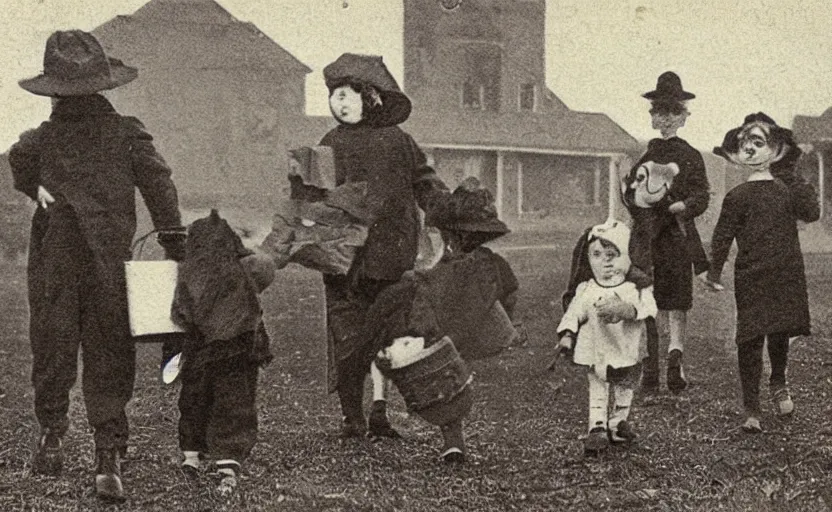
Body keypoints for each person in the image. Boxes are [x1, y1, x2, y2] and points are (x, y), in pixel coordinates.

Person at [7, 30, 184, 501]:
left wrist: (33, 189)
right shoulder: (126, 131)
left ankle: (52, 435)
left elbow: (18, 159)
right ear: (104, 86)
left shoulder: (41, 138)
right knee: (108, 350)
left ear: (54, 92)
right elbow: (160, 185)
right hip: (107, 263)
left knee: (53, 345)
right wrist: (174, 240)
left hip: (55, 266)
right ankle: (108, 455)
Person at [317, 53, 449, 438]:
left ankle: (379, 410)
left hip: (390, 257)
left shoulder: (398, 141)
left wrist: (450, 214)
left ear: (371, 97)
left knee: (388, 335)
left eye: (348, 94)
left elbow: (426, 183)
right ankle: (351, 418)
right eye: (334, 95)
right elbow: (311, 196)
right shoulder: (328, 144)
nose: (339, 102)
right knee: (347, 338)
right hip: (342, 260)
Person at [706, 113, 819, 433]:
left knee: (780, 330)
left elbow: (812, 212)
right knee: (750, 337)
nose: (750, 149)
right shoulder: (737, 197)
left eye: (759, 142)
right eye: (744, 144)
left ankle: (779, 382)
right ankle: (752, 407)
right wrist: (714, 271)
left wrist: (792, 171)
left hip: (785, 270)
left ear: (775, 150)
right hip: (751, 274)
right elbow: (723, 236)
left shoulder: (787, 190)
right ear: (737, 155)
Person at [171, 210, 275, 495]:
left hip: (201, 349)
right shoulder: (243, 269)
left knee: (195, 399)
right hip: (240, 348)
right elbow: (266, 270)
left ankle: (191, 455)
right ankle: (228, 464)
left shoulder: (189, 275)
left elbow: (181, 314)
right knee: (235, 403)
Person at [625, 71, 710, 394]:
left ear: (683, 117)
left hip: (675, 235)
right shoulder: (646, 155)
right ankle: (651, 364)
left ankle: (675, 358)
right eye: (658, 111)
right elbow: (633, 194)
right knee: (648, 298)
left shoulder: (690, 156)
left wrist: (683, 207)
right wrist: (633, 197)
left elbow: (701, 195)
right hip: (649, 238)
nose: (663, 118)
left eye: (671, 112)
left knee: (676, 301)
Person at [555, 221, 657, 455]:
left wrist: (627, 310)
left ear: (626, 257)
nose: (605, 261)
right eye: (597, 255)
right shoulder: (586, 288)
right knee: (598, 384)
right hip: (596, 347)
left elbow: (648, 308)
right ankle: (597, 426)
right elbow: (574, 312)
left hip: (626, 345)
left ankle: (618, 422)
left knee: (625, 384)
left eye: (612, 254)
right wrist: (568, 334)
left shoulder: (635, 288)